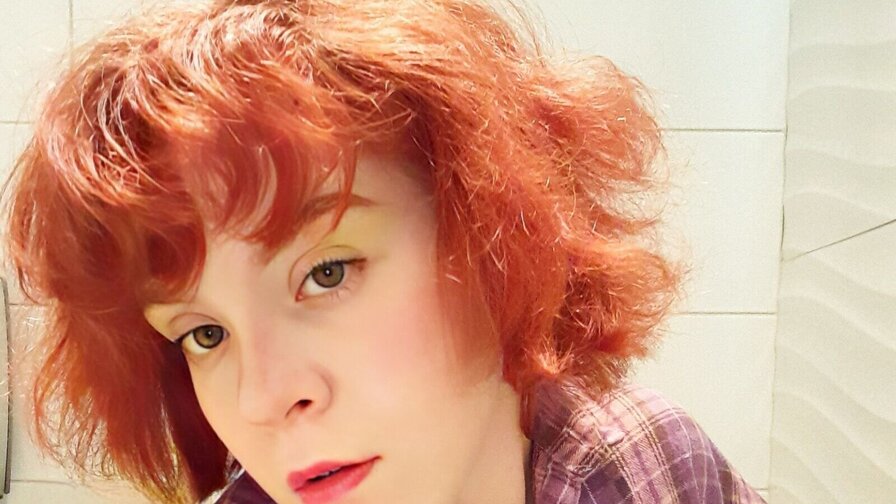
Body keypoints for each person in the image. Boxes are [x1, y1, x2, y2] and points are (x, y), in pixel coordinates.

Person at [3, 0, 766, 503]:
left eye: (326, 272)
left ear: (497, 241)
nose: (262, 399)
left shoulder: (649, 466)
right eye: (204, 334)